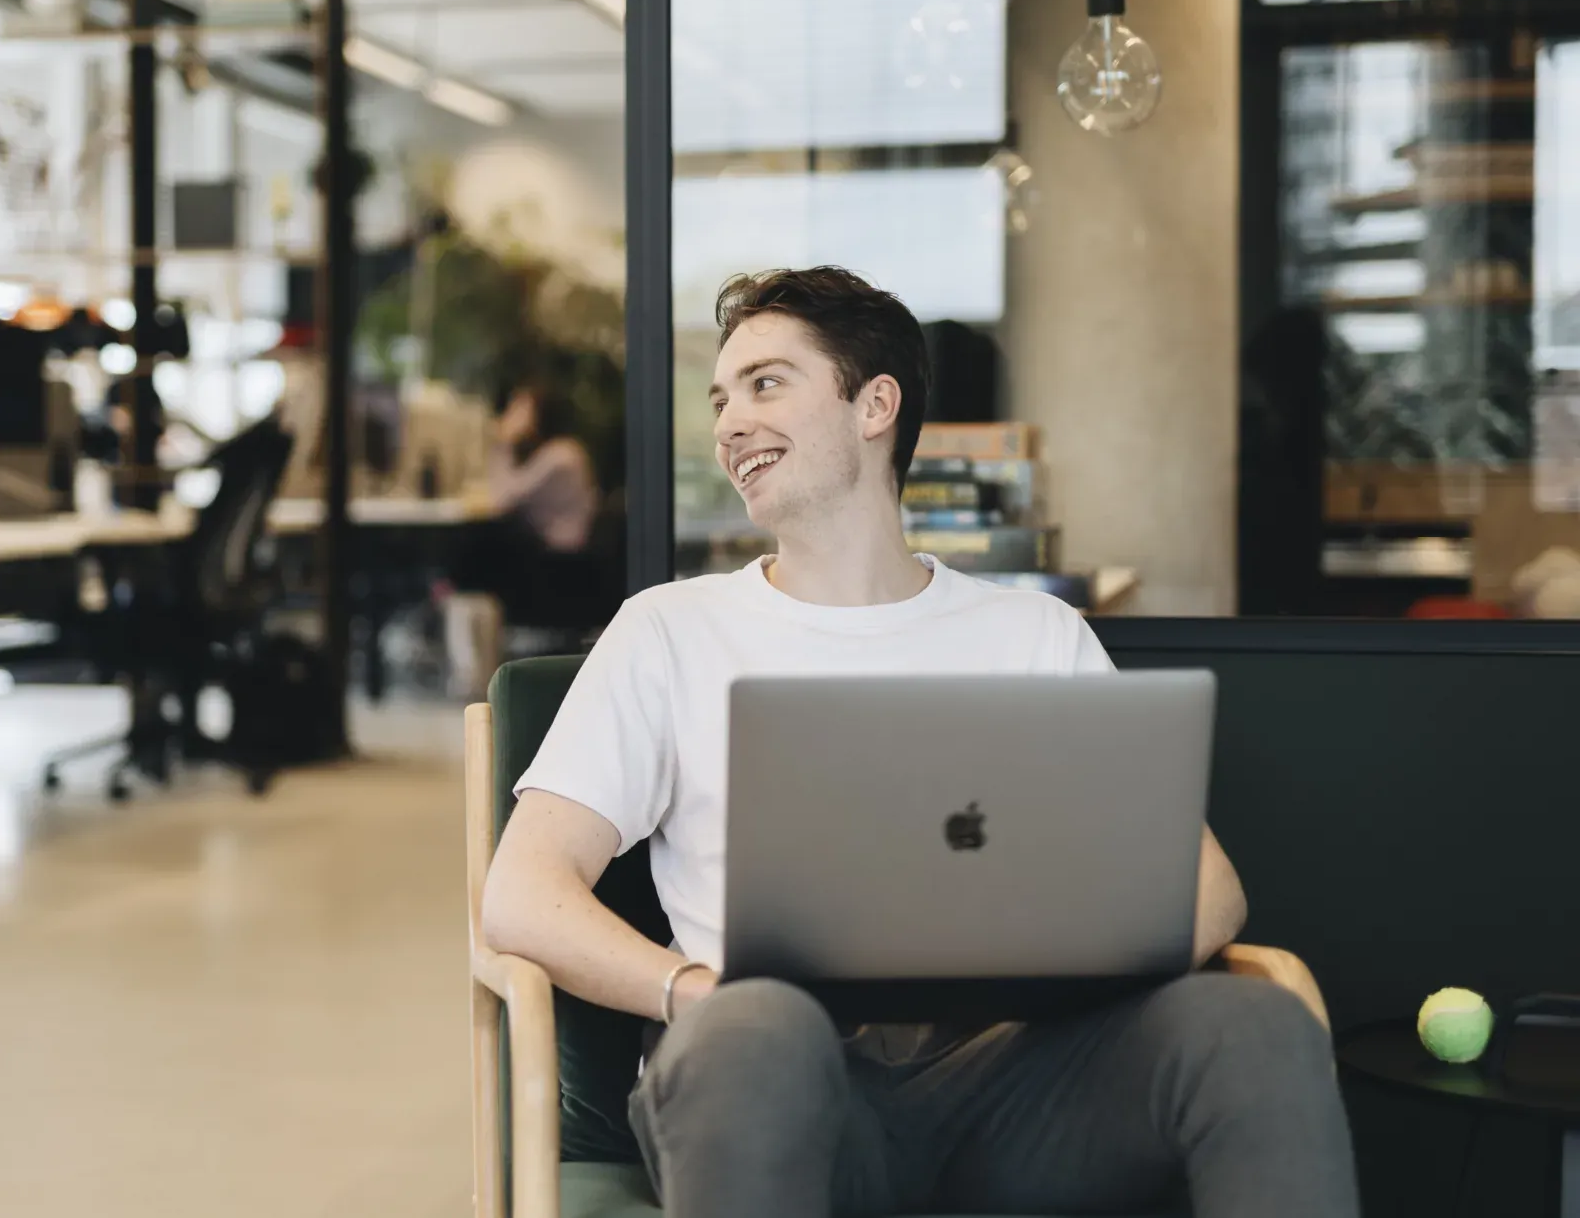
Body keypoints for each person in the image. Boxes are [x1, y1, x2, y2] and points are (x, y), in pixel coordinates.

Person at [480, 267, 1358, 1218]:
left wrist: (1054, 989)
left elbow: (1208, 888)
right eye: (721, 398)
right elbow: (523, 891)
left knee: (1255, 1024)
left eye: (767, 384)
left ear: (875, 405)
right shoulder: (668, 629)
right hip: (777, 1069)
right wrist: (692, 989)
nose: (731, 422)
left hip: (1011, 1078)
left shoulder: (1032, 633)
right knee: (754, 1027)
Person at [443, 376, 604, 696]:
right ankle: (455, 592)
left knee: (475, 548)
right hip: (546, 560)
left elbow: (502, 497)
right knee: (476, 548)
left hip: (560, 568)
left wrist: (502, 442)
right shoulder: (556, 454)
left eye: (521, 409)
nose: (512, 415)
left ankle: (451, 589)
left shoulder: (562, 456)